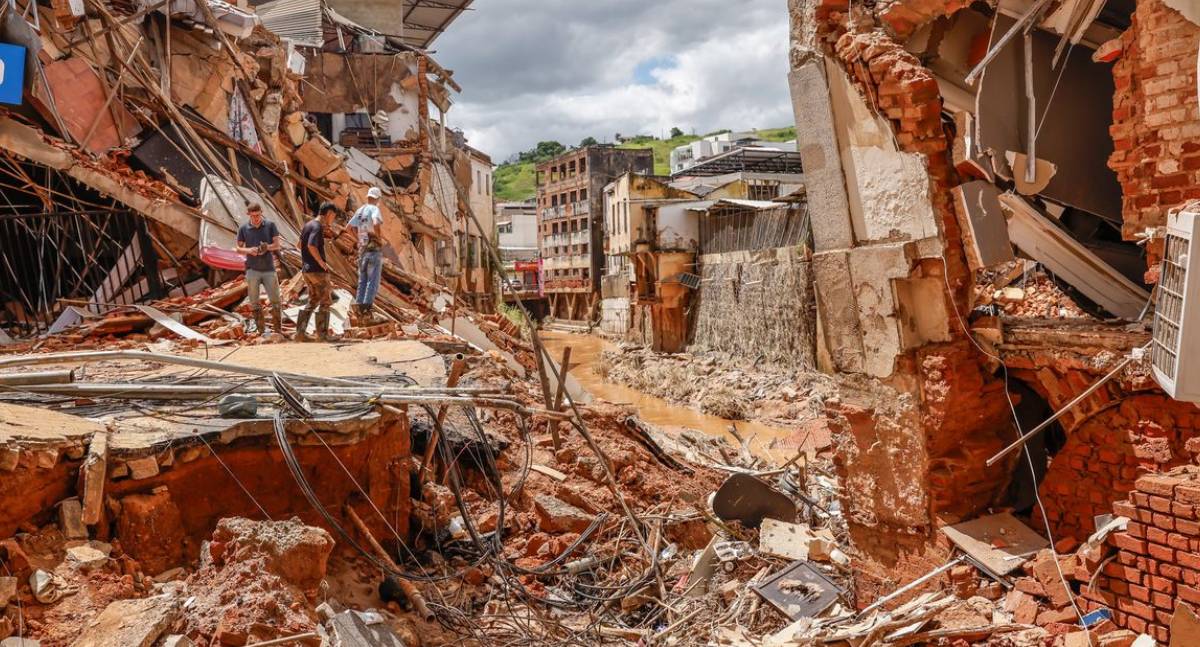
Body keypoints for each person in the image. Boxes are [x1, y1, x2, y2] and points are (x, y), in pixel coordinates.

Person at [234, 203, 282, 335]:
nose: (256, 218)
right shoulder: (243, 228)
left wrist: (267, 247)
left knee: (276, 301)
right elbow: (238, 248)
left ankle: (278, 331)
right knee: (254, 302)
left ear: (261, 212)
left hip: (269, 269)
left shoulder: (270, 225)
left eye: (258, 215)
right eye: (253, 216)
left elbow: (277, 245)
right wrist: (249, 250)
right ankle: (261, 332)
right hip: (252, 269)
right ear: (248, 214)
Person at [295, 202, 339, 342]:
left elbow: (299, 245)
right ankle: (322, 335)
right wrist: (321, 262)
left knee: (313, 300)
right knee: (325, 301)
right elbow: (311, 245)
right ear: (329, 213)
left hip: (307, 270)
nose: (333, 220)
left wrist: (307, 259)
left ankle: (300, 334)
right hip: (317, 271)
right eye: (333, 216)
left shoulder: (308, 225)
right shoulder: (317, 226)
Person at [348, 186, 385, 321]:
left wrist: (358, 239)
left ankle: (358, 313)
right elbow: (375, 222)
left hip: (362, 249)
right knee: (372, 282)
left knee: (362, 282)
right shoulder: (374, 209)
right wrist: (378, 238)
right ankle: (365, 314)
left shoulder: (360, 210)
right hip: (373, 249)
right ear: (377, 199)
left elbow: (348, 227)